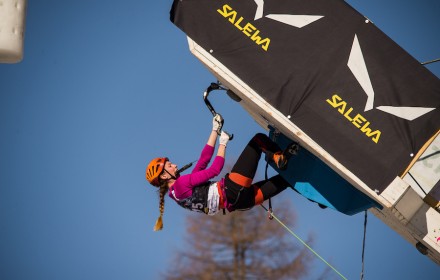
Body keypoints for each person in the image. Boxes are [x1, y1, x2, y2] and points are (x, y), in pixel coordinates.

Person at [146, 114, 297, 231]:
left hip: (240, 203)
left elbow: (203, 161)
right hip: (232, 189)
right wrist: (222, 143)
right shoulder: (181, 183)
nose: (175, 165)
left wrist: (215, 130)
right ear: (165, 176)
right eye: (170, 165)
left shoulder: (177, 194)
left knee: (287, 180)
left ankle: (317, 196)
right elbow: (214, 170)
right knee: (258, 140)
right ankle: (279, 158)